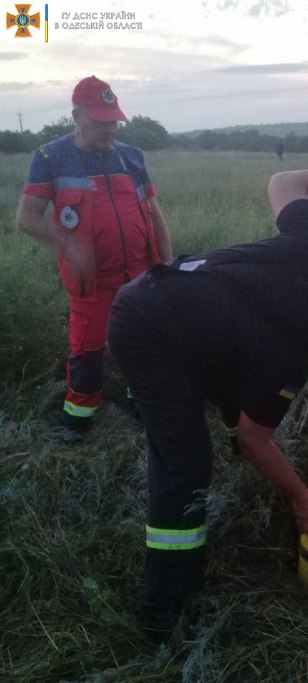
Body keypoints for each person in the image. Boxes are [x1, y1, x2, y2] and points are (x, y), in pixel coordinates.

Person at [107, 167, 308, 643]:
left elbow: (285, 182)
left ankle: (176, 587)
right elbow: (255, 441)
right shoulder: (287, 357)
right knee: (186, 464)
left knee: (228, 408)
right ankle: (163, 607)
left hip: (186, 314)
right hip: (147, 326)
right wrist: (300, 497)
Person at [16, 75, 172, 442]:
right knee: (87, 349)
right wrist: (68, 244)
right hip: (91, 282)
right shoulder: (50, 157)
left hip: (140, 275)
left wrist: (166, 264)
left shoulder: (132, 156)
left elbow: (153, 211)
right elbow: (27, 218)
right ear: (77, 115)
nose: (110, 128)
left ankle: (141, 403)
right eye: (101, 120)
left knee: (143, 343)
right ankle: (77, 420)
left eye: (113, 119)